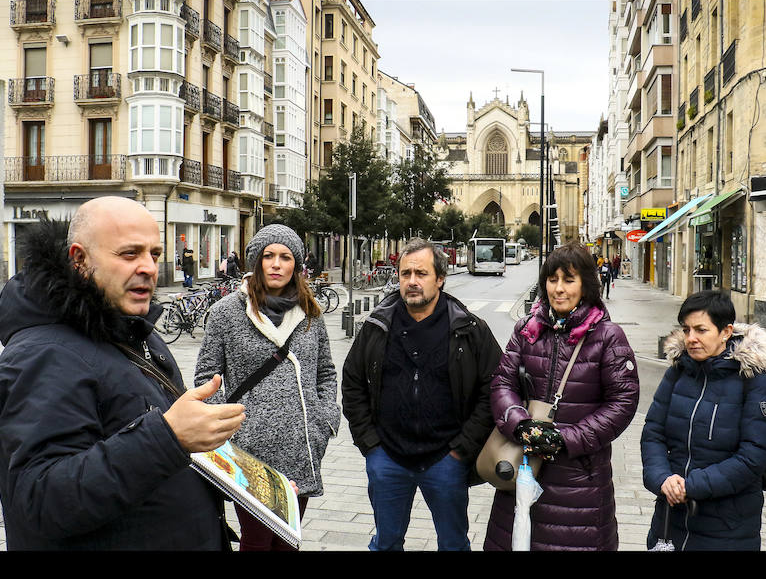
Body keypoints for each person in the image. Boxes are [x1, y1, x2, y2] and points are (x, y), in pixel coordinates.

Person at [0, 196, 247, 550]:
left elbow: (148, 455)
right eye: (129, 254)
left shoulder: (133, 329)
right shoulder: (43, 355)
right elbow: (42, 499)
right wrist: (169, 437)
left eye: (154, 254)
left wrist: (243, 483)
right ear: (80, 259)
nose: (149, 268)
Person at [342, 238, 503, 551]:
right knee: (386, 543)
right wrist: (370, 445)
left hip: (446, 458)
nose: (412, 281)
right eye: (406, 273)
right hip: (388, 458)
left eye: (421, 273)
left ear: (440, 278)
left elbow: (494, 387)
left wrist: (463, 448)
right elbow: (352, 382)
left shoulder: (470, 329)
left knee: (453, 544)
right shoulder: (377, 326)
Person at [483, 241, 639, 551]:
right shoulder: (527, 330)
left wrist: (565, 439)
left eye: (569, 280)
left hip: (579, 481)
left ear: (585, 284)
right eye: (552, 280)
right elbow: (502, 383)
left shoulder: (608, 337)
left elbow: (622, 403)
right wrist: (519, 424)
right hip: (524, 466)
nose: (559, 289)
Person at [194, 224, 340, 551]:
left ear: (296, 264)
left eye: (285, 257)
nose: (276, 264)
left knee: (288, 541)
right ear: (256, 261)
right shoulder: (226, 312)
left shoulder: (310, 312)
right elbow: (206, 376)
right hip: (250, 451)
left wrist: (324, 419)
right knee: (257, 542)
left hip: (300, 446)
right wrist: (229, 430)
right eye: (268, 256)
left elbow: (326, 371)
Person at [641, 290, 766, 550]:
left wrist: (691, 486)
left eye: (701, 330)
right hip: (670, 521)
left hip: (727, 528)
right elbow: (653, 433)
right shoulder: (677, 374)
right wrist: (662, 478)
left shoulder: (754, 382)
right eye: (686, 330)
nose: (691, 338)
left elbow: (753, 457)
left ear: (726, 332)